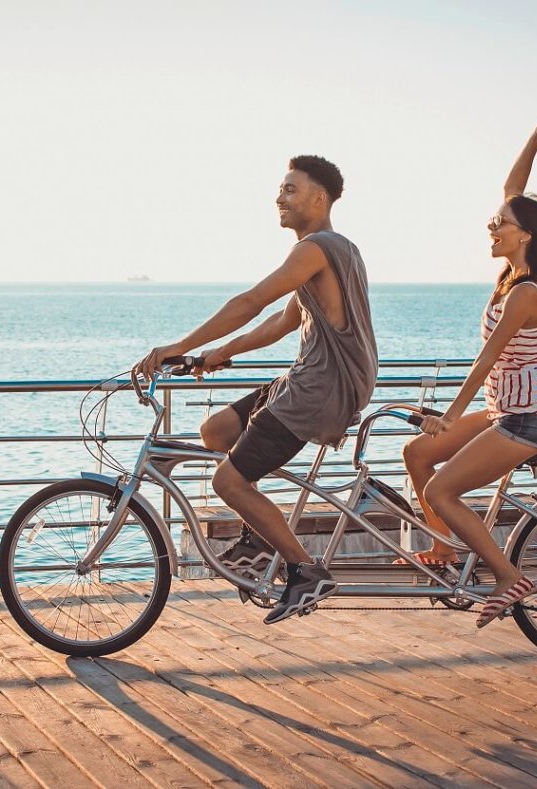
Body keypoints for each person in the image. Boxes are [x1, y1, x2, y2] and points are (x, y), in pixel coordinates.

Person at [134, 155, 378, 625]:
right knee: (217, 430)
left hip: (319, 388)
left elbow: (250, 302)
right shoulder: (332, 251)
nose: (279, 198)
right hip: (309, 379)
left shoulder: (316, 248)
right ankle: (260, 536)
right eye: (280, 189)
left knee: (226, 481)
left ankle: (305, 571)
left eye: (290, 189)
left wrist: (178, 346)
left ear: (318, 198)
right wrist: (215, 355)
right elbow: (281, 322)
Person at [401, 116, 537, 628]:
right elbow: (512, 191)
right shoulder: (515, 275)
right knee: (416, 454)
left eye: (500, 225)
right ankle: (444, 548)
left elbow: (487, 361)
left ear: (525, 235)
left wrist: (450, 416)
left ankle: (507, 576)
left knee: (440, 491)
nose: (491, 227)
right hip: (506, 410)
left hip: (527, 420)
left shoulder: (525, 292)